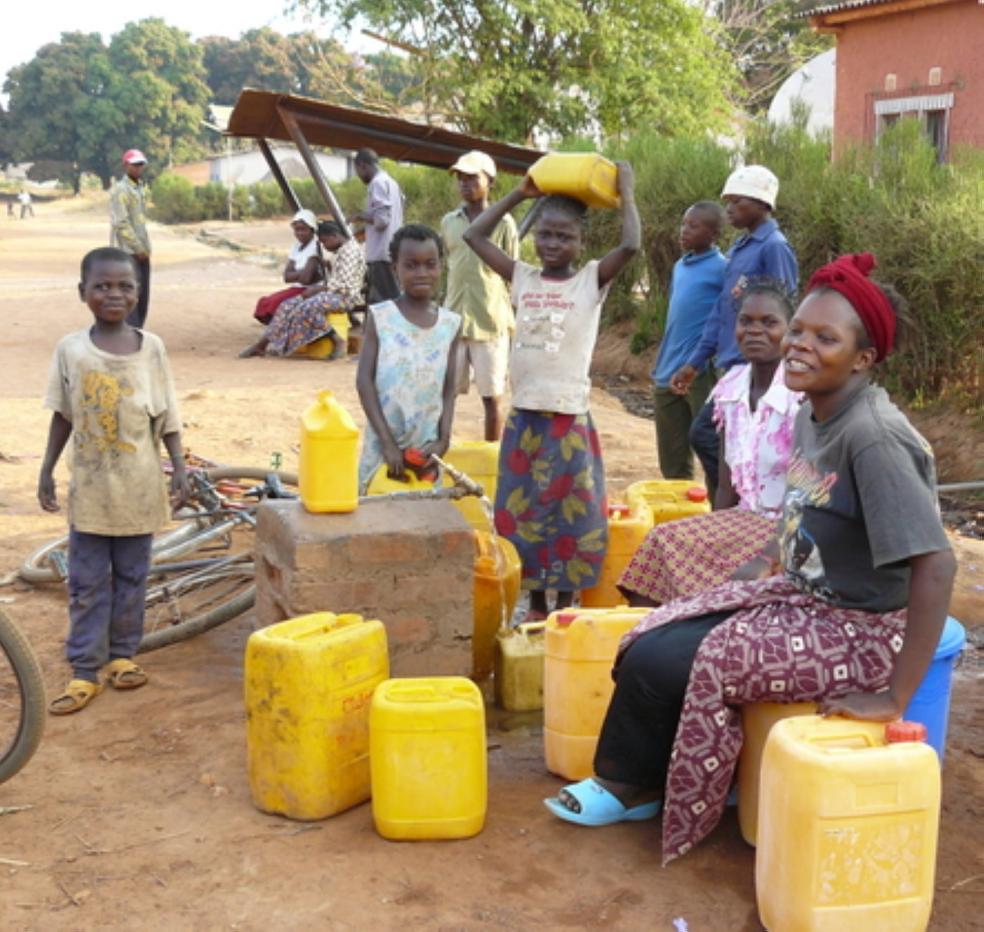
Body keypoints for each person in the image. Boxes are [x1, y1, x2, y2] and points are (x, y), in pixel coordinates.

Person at [544, 253, 956, 869]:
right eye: (800, 330)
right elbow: (804, 505)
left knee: (703, 660)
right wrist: (763, 562)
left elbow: (937, 565)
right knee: (657, 632)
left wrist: (894, 695)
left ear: (863, 358)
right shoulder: (816, 411)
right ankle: (634, 783)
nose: (800, 345)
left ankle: (648, 789)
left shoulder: (872, 436)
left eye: (826, 338)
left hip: (863, 630)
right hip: (806, 600)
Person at [463, 163, 641, 620]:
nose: (553, 244)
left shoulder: (590, 281)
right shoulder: (523, 277)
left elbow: (631, 244)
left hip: (569, 419)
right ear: (533, 237)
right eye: (545, 235)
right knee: (523, 514)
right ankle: (537, 603)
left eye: (564, 237)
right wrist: (519, 195)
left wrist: (629, 192)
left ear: (581, 244)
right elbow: (475, 237)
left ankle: (567, 602)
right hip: (525, 418)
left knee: (574, 515)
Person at [38, 247, 191, 715]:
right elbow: (63, 415)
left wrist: (180, 466)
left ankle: (123, 655)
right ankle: (85, 668)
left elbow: (167, 416)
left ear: (138, 293)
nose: (114, 294)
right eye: (102, 285)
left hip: (139, 489)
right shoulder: (72, 350)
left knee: (132, 577)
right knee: (86, 583)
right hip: (91, 492)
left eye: (125, 286)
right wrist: (45, 469)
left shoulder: (152, 348)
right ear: (82, 292)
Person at [619, 278, 801, 606]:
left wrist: (762, 556)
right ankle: (643, 641)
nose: (755, 331)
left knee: (703, 577)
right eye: (746, 321)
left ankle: (678, 634)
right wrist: (715, 533)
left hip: (788, 531)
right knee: (661, 543)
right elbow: (726, 488)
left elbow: (809, 500)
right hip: (744, 520)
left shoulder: (800, 398)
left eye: (770, 322)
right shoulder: (730, 390)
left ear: (790, 332)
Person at [671, 165, 798, 495]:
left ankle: (745, 502)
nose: (728, 209)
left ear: (761, 203)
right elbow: (721, 311)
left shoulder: (774, 247)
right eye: (727, 202)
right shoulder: (741, 249)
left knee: (706, 436)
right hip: (732, 367)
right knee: (722, 443)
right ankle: (730, 508)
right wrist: (696, 361)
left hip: (754, 369)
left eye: (736, 202)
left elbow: (783, 308)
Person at [356, 224, 461, 491]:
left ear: (441, 267)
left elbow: (450, 388)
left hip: (426, 447)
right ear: (395, 269)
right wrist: (388, 444)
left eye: (430, 264)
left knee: (423, 513)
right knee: (375, 511)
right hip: (384, 444)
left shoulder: (451, 324)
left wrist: (443, 440)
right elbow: (364, 382)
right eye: (411, 265)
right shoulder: (381, 317)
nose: (421, 273)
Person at [441, 150, 520, 441]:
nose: (464, 183)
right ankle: (441, 447)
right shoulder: (449, 222)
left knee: (492, 397)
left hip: (490, 321)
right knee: (446, 393)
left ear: (491, 182)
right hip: (455, 320)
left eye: (472, 177)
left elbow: (512, 271)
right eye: (460, 178)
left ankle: (491, 456)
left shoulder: (504, 224)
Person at [651, 202, 727, 479]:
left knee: (711, 450)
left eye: (694, 226)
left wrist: (702, 359)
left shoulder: (723, 270)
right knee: (672, 458)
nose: (684, 230)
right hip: (667, 369)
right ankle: (679, 515)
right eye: (684, 224)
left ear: (714, 233)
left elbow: (725, 319)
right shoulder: (679, 267)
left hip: (700, 373)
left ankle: (715, 513)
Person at [239, 221, 366, 359]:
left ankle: (336, 339)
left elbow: (344, 284)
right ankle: (261, 345)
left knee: (306, 307)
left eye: (324, 242)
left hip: (345, 297)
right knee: (287, 306)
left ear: (334, 236)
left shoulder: (350, 251)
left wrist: (317, 289)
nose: (324, 246)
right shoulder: (342, 251)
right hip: (333, 294)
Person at [352, 148, 404, 304]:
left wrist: (361, 216)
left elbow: (381, 221)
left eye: (358, 171)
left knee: (385, 303)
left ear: (362, 166)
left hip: (381, 252)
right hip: (392, 249)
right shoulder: (392, 183)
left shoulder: (377, 183)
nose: (360, 176)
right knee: (393, 298)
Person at [252, 209, 323, 324]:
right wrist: (303, 272)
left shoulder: (316, 246)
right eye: (297, 229)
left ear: (312, 229)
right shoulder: (296, 246)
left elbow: (306, 280)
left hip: (309, 289)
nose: (299, 233)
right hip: (296, 287)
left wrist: (296, 274)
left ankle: (280, 330)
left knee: (275, 305)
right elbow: (286, 277)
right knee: (264, 303)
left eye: (303, 229)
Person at [109, 149, 152, 328]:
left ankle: (138, 330)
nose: (138, 168)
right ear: (126, 165)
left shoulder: (139, 188)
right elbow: (121, 222)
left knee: (142, 295)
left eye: (141, 164)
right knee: (129, 294)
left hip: (142, 251)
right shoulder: (121, 190)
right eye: (135, 164)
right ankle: (129, 332)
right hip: (128, 252)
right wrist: (137, 248)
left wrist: (145, 248)